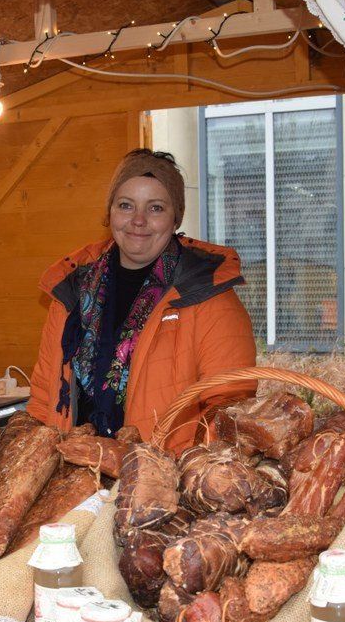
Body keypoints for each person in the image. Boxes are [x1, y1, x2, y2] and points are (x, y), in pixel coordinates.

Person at [27, 148, 256, 450]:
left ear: (175, 218)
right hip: (80, 475)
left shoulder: (210, 296)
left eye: (156, 208)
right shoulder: (71, 293)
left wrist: (178, 477)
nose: (138, 220)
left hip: (163, 482)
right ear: (109, 212)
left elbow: (229, 411)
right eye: (125, 205)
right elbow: (45, 398)